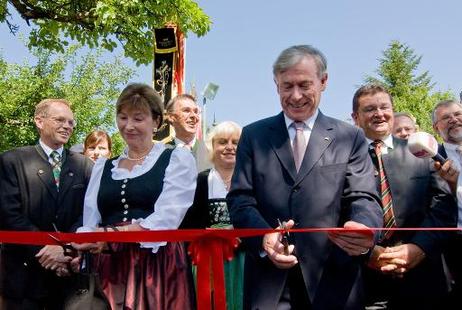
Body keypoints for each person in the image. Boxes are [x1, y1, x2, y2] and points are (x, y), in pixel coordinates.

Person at [227, 45, 383, 310]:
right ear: (276, 85)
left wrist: (364, 228)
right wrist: (264, 237)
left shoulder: (350, 137)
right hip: (270, 285)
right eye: (287, 86)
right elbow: (241, 199)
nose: (295, 95)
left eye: (304, 85)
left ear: (323, 82)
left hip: (334, 281)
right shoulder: (253, 136)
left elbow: (364, 196)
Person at [73, 83, 197, 309]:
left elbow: (166, 220)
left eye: (138, 118)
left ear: (156, 122)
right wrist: (81, 247)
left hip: (157, 265)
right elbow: (90, 221)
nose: (128, 126)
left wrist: (107, 234)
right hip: (109, 268)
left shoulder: (177, 159)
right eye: (122, 117)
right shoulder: (102, 166)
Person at [351, 84, 456, 310]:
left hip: (425, 278)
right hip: (365, 283)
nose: (379, 114)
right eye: (369, 109)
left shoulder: (423, 153)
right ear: (355, 118)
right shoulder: (342, 159)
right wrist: (367, 253)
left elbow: (444, 207)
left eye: (384, 107)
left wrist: (418, 248)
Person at [0, 98, 93, 309]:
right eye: (60, 120)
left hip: (70, 278)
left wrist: (66, 250)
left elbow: (89, 213)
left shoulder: (85, 165)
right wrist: (45, 249)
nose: (67, 126)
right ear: (39, 121)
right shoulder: (11, 161)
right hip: (24, 278)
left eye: (71, 122)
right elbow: (8, 214)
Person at [181, 121, 244, 309]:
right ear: (212, 146)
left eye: (235, 142)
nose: (230, 147)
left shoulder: (252, 181)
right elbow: (187, 225)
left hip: (243, 260)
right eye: (223, 142)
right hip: (206, 262)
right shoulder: (200, 181)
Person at [432, 99, 462, 307]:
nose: (453, 120)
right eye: (446, 118)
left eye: (457, 114)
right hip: (457, 246)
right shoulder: (431, 160)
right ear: (436, 127)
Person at [165, 94, 212, 171]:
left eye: (196, 112)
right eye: (186, 110)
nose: (194, 116)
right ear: (171, 117)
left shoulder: (212, 153)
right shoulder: (160, 154)